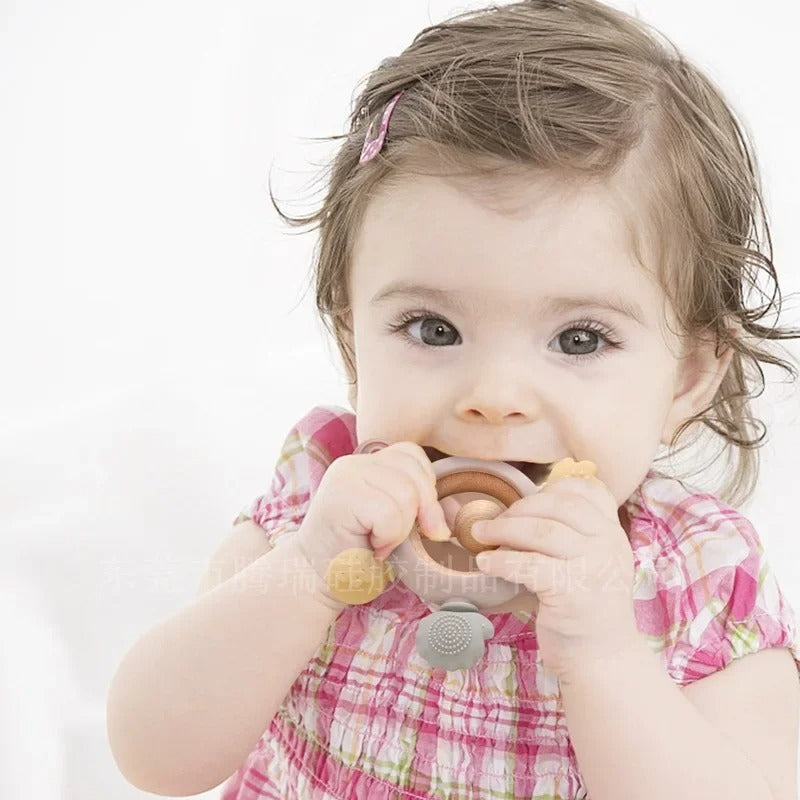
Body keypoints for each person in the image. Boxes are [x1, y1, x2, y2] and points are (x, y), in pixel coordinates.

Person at [106, 1, 800, 798]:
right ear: (350, 335)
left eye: (579, 340)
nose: (494, 398)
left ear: (686, 375)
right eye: (433, 329)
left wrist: (603, 652)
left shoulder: (701, 578)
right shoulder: (317, 506)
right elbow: (154, 757)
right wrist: (306, 575)